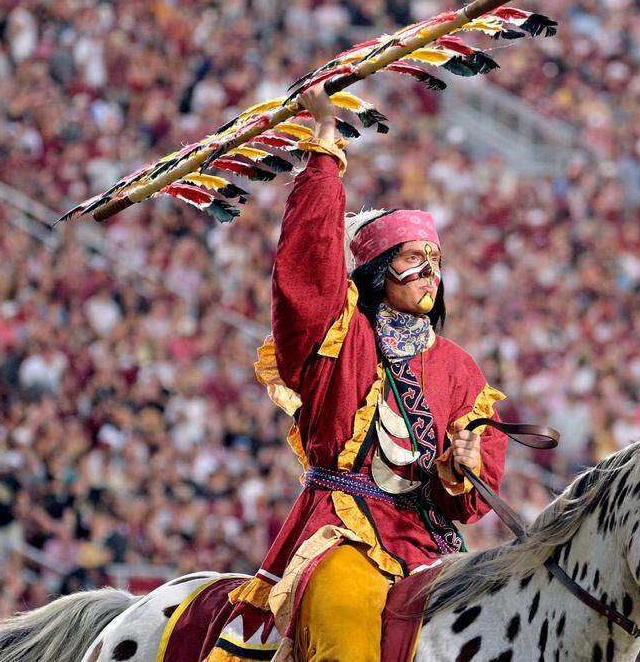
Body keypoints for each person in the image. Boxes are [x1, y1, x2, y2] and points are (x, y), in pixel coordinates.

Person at [203, 85, 509, 662]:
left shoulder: (460, 368)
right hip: (339, 532)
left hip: (430, 548)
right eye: (412, 259)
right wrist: (325, 144)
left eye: (435, 261)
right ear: (374, 273)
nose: (429, 272)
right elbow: (308, 265)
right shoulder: (339, 335)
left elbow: (470, 499)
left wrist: (461, 469)